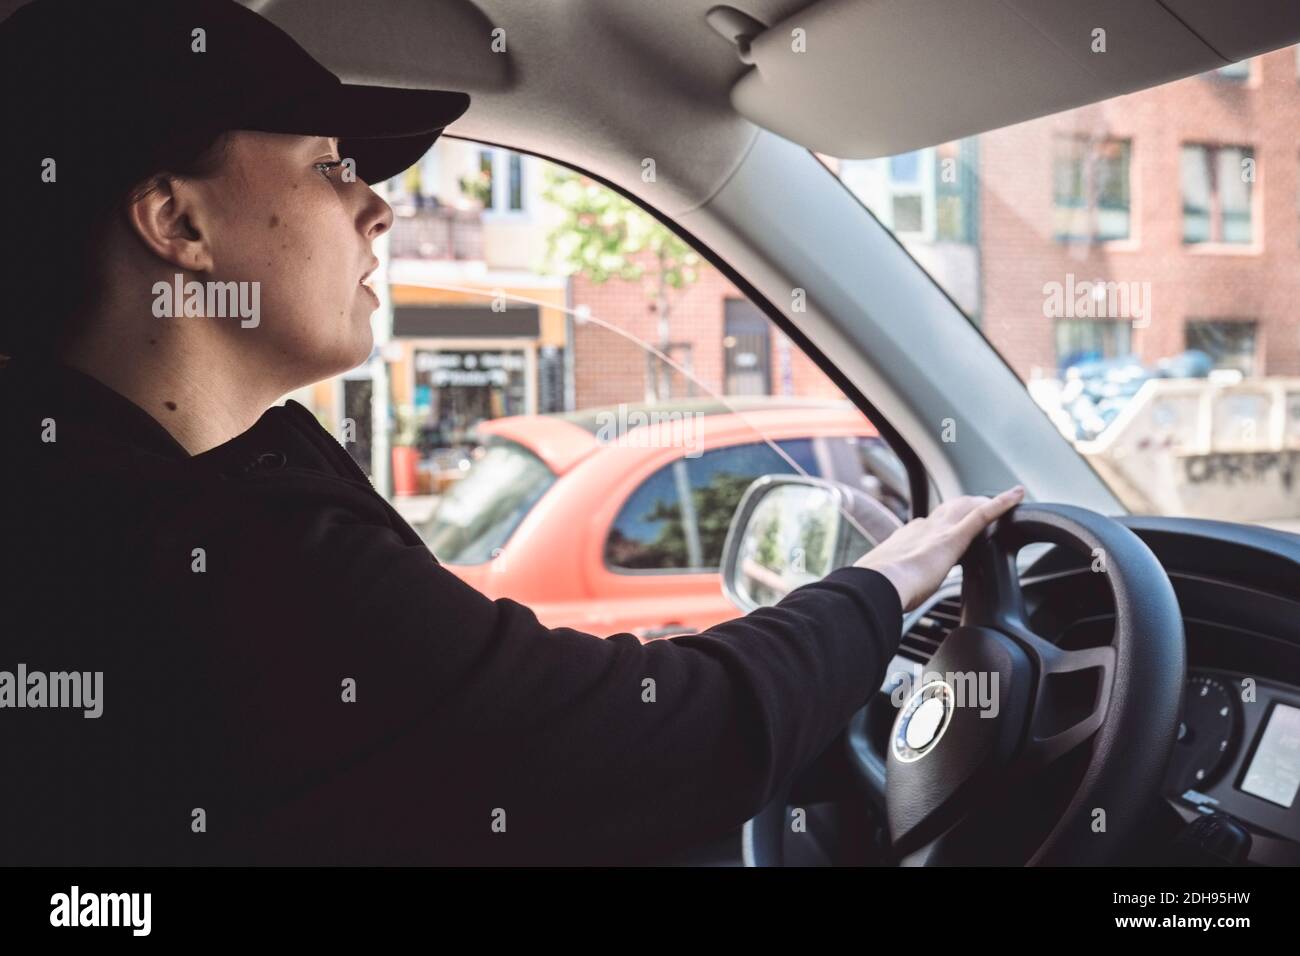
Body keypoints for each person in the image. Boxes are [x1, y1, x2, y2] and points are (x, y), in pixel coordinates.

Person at [0, 0, 1023, 865]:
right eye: (327, 166)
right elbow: (664, 742)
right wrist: (884, 583)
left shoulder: (127, 497)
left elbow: (507, 705)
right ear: (178, 224)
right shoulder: (220, 558)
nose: (376, 207)